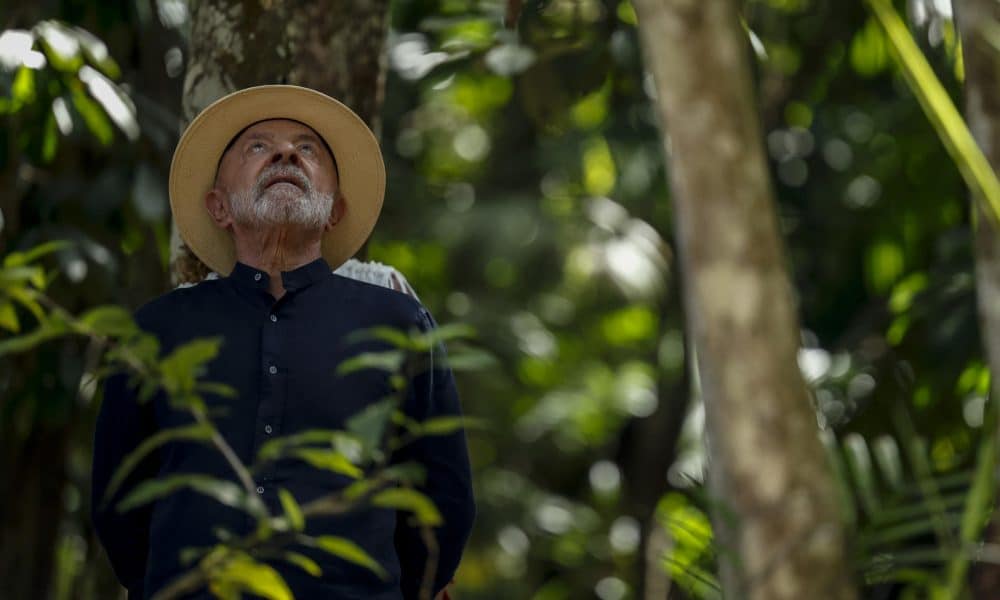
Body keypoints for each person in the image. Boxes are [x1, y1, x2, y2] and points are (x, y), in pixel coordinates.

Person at [90, 85, 475, 599]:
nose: (287, 154)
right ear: (219, 207)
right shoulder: (157, 329)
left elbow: (443, 495)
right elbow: (119, 503)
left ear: (334, 211)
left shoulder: (399, 321)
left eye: (307, 148)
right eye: (258, 146)